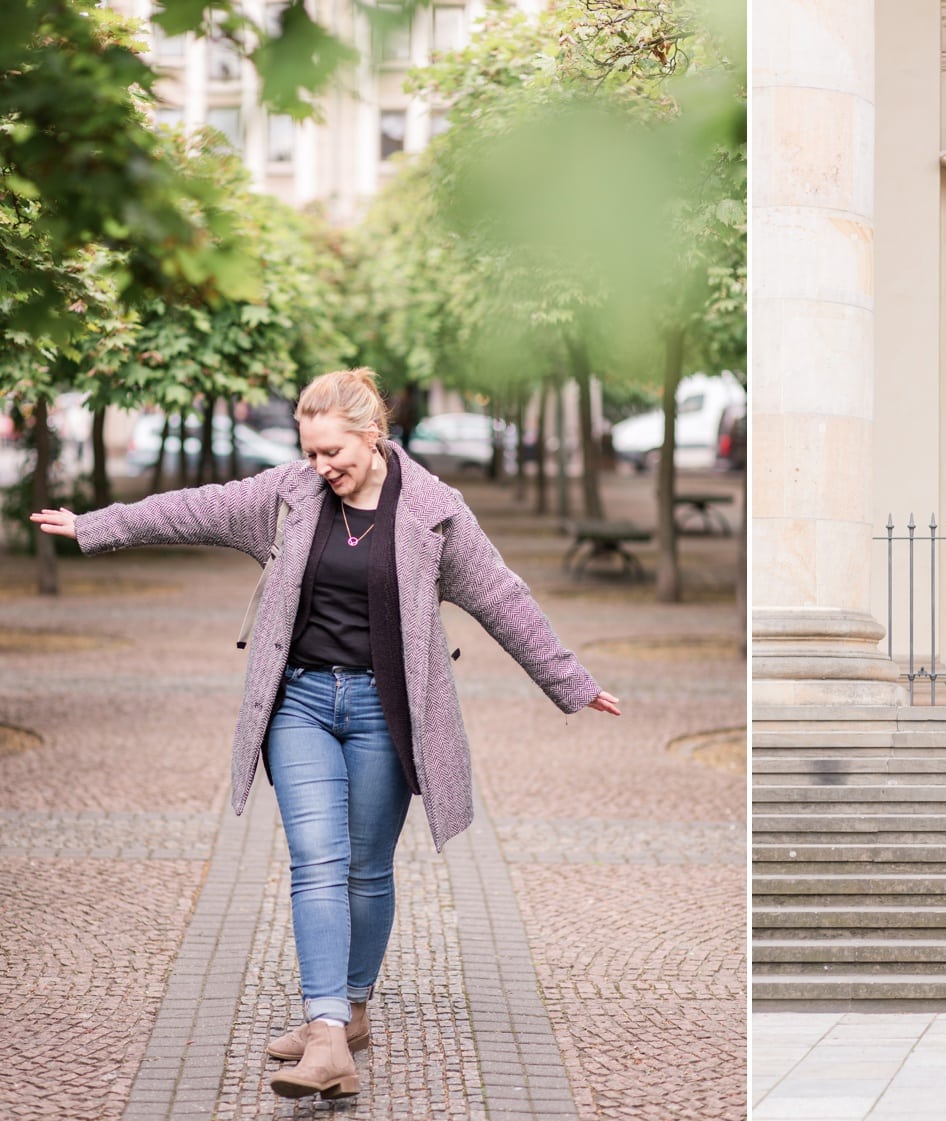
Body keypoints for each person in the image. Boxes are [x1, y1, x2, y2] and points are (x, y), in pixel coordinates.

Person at [32, 368, 621, 1101]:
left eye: (333, 451)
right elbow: (193, 510)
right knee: (316, 858)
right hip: (301, 703)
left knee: (367, 870)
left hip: (386, 710)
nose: (322, 467)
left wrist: (571, 680)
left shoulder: (435, 513)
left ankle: (351, 1010)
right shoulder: (287, 498)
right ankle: (325, 1033)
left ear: (373, 435)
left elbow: (501, 594)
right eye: (310, 452)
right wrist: (95, 525)